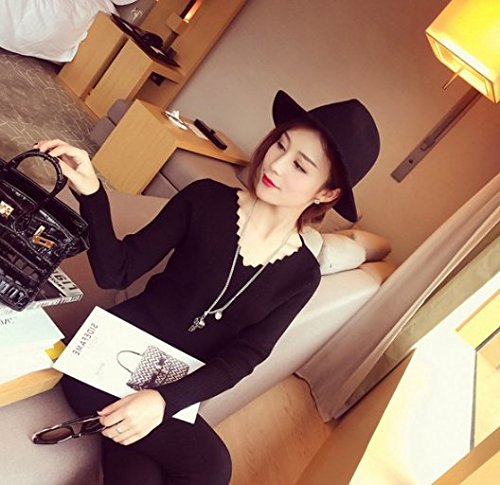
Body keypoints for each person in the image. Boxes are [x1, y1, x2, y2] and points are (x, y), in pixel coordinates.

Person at [35, 90, 380, 485]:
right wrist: (92, 193)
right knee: (211, 465)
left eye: (300, 166)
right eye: (281, 145)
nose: (275, 164)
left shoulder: (302, 276)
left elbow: (244, 357)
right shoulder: (205, 200)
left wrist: (163, 401)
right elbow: (117, 272)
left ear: (326, 193)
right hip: (105, 356)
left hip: (171, 382)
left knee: (139, 475)